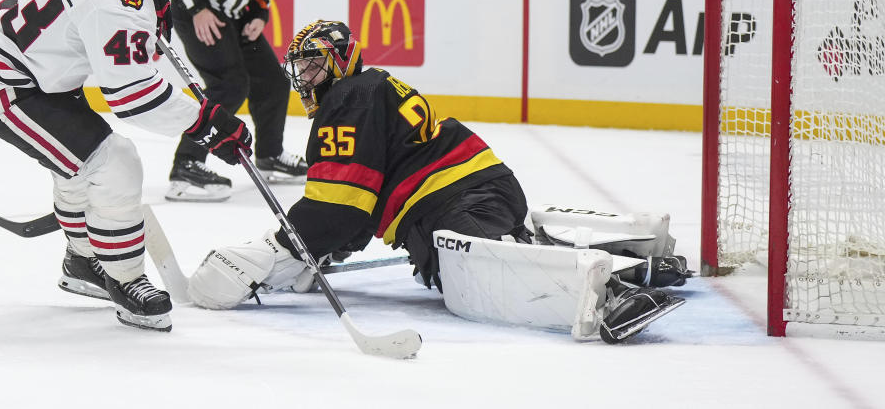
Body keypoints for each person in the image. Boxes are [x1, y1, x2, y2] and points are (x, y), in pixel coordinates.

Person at [184, 20, 687, 342]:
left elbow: (341, 209)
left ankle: (621, 287)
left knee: (475, 274)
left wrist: (278, 249)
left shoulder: (347, 100)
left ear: (338, 61)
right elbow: (360, 210)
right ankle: (640, 253)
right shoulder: (368, 87)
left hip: (453, 202)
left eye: (312, 64)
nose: (304, 77)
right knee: (499, 248)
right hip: (483, 186)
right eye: (300, 66)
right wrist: (319, 251)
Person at [0, 0, 253, 332]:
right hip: (8, 85)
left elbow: (126, 20)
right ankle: (125, 280)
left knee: (80, 162)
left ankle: (82, 262)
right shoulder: (110, 1)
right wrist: (207, 124)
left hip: (34, 62)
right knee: (114, 162)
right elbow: (133, 97)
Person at [162, 0, 308, 201]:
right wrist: (198, 9)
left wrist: (260, 13)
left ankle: (271, 156)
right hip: (194, 12)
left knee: (273, 80)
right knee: (229, 84)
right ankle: (185, 166)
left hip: (236, 17)